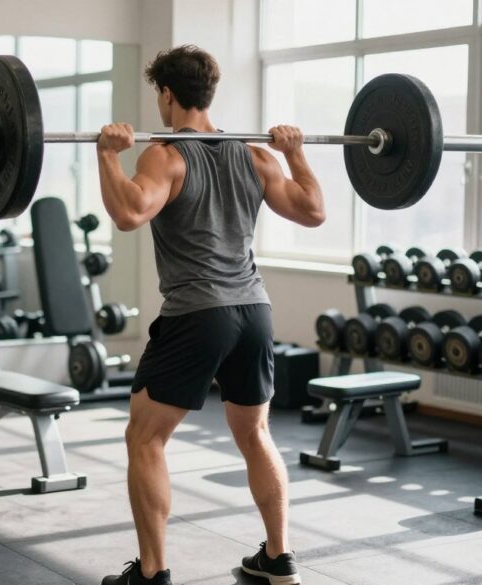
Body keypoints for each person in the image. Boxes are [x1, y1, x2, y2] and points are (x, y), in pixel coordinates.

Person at [96, 45, 325, 585]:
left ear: (169, 95)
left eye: (159, 95)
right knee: (256, 434)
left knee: (144, 438)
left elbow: (129, 211)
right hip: (253, 311)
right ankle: (278, 555)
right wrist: (295, 153)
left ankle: (152, 573)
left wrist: (107, 155)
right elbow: (314, 211)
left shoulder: (168, 154)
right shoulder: (253, 155)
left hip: (199, 314)